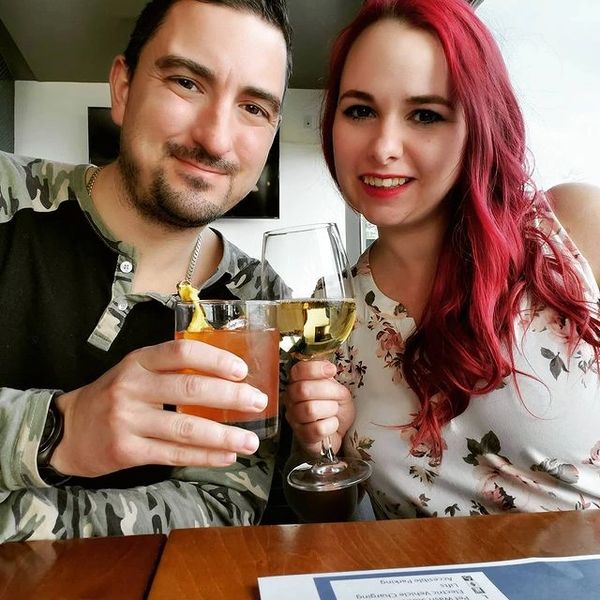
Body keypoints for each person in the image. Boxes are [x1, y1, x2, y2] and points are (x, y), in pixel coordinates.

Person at [285, 0, 600, 522]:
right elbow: (329, 518)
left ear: (478, 125)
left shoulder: (574, 226)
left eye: (425, 115)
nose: (383, 146)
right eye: (359, 110)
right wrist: (316, 445)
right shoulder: (332, 310)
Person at [0, 0, 291, 541]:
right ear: (123, 87)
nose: (216, 140)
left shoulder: (261, 302)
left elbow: (222, 505)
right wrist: (58, 430)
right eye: (186, 82)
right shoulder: (7, 197)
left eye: (254, 109)